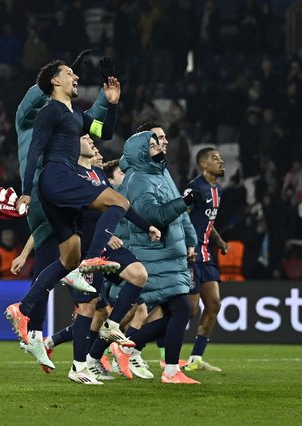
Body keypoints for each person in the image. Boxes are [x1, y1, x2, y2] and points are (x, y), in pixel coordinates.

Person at [7, 59, 152, 354]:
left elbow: (104, 131)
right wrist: (25, 192)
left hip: (56, 186)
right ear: (55, 82)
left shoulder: (74, 114)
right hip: (57, 178)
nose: (76, 77)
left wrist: (111, 104)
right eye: (69, 73)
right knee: (118, 200)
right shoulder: (49, 111)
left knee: (67, 259)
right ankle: (93, 260)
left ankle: (22, 309)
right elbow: (35, 149)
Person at [110, 130, 201, 384]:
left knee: (178, 312)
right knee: (181, 310)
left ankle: (128, 347)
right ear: (140, 151)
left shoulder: (158, 173)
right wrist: (184, 202)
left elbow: (176, 215)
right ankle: (168, 369)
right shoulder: (139, 178)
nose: (159, 146)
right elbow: (152, 215)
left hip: (166, 255)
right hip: (152, 253)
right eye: (151, 145)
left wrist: (189, 239)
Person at [184, 147, 229, 372]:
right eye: (215, 158)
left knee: (213, 304)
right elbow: (180, 215)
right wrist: (184, 246)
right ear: (203, 164)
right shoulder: (195, 188)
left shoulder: (217, 189)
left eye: (220, 158)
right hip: (190, 255)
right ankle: (134, 345)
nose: (221, 161)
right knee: (189, 310)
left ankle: (195, 359)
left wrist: (219, 242)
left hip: (206, 255)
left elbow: (207, 222)